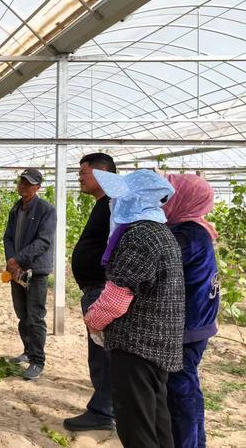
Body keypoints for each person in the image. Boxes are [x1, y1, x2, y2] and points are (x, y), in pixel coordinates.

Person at [85, 169, 184, 448]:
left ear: (133, 200)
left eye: (118, 198)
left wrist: (93, 319)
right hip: (158, 345)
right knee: (155, 419)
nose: (113, 203)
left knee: (135, 425)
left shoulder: (139, 235)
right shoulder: (160, 231)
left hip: (137, 345)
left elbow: (117, 298)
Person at [161, 174, 220, 448]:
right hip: (197, 323)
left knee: (180, 391)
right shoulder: (195, 230)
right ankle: (196, 442)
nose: (164, 202)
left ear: (184, 199)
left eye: (169, 196)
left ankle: (186, 442)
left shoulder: (188, 235)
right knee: (187, 386)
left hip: (188, 326)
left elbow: (155, 261)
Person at [64, 153, 117, 432]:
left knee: (102, 353)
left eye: (83, 173)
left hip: (103, 292)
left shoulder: (113, 205)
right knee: (100, 351)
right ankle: (105, 407)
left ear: (102, 172)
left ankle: (102, 411)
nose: (80, 179)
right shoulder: (104, 204)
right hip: (96, 290)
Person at [3, 168, 55, 381]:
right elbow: (8, 237)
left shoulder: (46, 210)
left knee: (35, 316)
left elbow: (43, 241)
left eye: (28, 182)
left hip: (35, 272)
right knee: (22, 314)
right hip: (17, 270)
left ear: (37, 187)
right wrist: (11, 260)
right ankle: (27, 350)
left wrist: (19, 260)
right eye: (21, 181)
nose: (22, 185)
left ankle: (37, 361)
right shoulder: (16, 209)